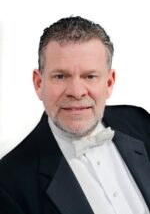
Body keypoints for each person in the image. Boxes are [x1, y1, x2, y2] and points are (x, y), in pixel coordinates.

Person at [0, 16, 150, 214]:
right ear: (38, 83)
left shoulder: (140, 121)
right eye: (60, 76)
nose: (77, 91)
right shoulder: (8, 182)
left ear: (109, 82)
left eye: (90, 76)